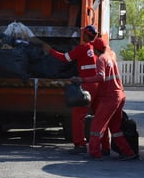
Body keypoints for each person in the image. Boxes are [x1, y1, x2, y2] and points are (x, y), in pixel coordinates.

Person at [43, 25, 109, 155]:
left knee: (78, 115)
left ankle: (79, 145)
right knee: (100, 116)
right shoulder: (96, 50)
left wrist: (50, 50)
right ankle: (105, 146)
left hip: (87, 85)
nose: (81, 35)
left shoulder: (83, 48)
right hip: (97, 86)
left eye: (83, 33)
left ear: (86, 35)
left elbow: (64, 58)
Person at [72, 37, 137, 161]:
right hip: (120, 95)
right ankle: (128, 152)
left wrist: (83, 79)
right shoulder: (110, 57)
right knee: (115, 127)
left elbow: (101, 77)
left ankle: (94, 152)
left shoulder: (101, 59)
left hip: (110, 97)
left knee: (96, 126)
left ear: (95, 49)